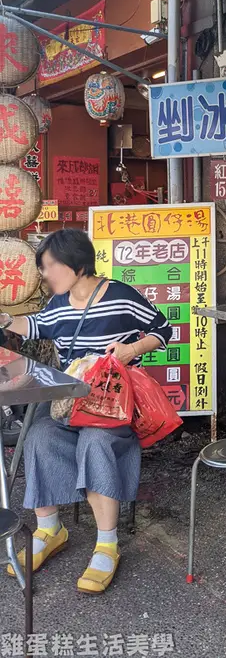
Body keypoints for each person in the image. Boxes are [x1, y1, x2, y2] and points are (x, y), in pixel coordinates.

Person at [0, 229, 172, 594]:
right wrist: (3, 323)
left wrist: (129, 350)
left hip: (112, 406)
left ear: (76, 264)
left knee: (95, 442)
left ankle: (107, 544)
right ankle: (50, 530)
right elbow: (31, 326)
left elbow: (162, 329)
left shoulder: (121, 296)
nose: (44, 275)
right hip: (70, 404)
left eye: (49, 266)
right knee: (40, 436)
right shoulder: (58, 304)